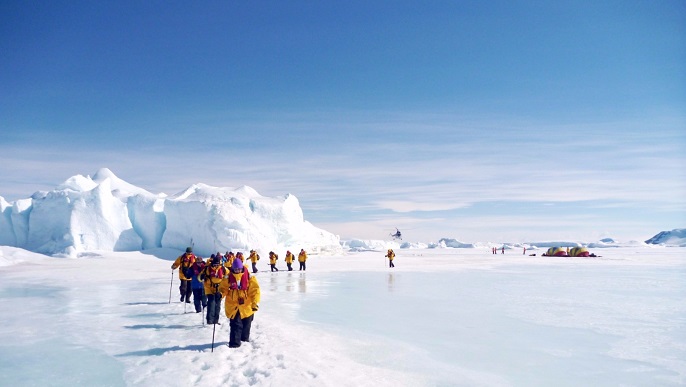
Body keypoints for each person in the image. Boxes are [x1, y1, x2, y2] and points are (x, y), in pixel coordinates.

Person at [219, 258, 260, 348]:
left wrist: (254, 303)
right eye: (236, 269)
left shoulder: (250, 277)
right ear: (233, 268)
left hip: (247, 306)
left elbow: (255, 291)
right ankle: (235, 345)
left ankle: (244, 343)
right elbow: (223, 289)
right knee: (235, 325)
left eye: (239, 269)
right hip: (233, 305)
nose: (238, 271)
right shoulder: (228, 277)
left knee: (246, 325)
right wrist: (220, 294)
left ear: (242, 268)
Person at [203, 255, 226, 325]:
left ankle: (216, 320)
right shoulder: (207, 269)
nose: (216, 266)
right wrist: (201, 277)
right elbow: (199, 277)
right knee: (211, 303)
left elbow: (229, 276)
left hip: (219, 290)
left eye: (217, 264)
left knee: (217, 305)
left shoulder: (223, 269)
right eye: (215, 264)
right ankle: (210, 320)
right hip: (209, 289)